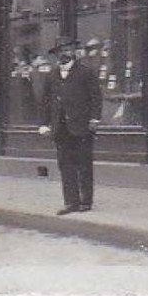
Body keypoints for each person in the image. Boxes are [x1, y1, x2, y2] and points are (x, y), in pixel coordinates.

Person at [36, 40, 101, 215]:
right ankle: (71, 202)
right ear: (56, 54)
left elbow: (95, 97)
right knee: (65, 165)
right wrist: (44, 123)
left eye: (67, 50)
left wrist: (94, 119)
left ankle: (86, 202)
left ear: (73, 52)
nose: (64, 53)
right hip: (60, 128)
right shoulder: (52, 75)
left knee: (84, 164)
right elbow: (45, 102)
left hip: (81, 126)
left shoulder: (85, 73)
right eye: (60, 51)